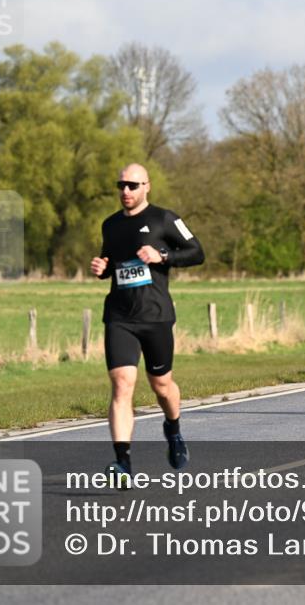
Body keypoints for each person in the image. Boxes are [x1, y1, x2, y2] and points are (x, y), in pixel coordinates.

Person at [90, 164, 204, 487]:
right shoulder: (110, 225)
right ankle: (122, 462)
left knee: (162, 385)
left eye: (132, 185)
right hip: (120, 316)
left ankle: (173, 428)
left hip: (156, 316)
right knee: (122, 383)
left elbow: (197, 252)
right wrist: (102, 268)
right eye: (121, 185)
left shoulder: (165, 219)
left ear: (146, 187)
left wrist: (162, 255)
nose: (126, 191)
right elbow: (111, 264)